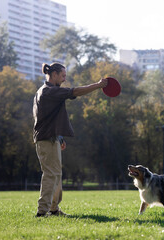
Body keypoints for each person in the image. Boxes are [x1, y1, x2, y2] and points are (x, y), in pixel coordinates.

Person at [33, 62, 108, 217]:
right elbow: (75, 91)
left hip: (52, 138)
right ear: (54, 75)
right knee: (50, 174)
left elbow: (49, 118)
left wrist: (59, 137)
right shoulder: (48, 91)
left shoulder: (49, 91)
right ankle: (42, 211)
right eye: (63, 75)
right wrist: (98, 85)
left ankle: (54, 209)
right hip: (45, 139)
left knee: (57, 174)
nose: (64, 79)